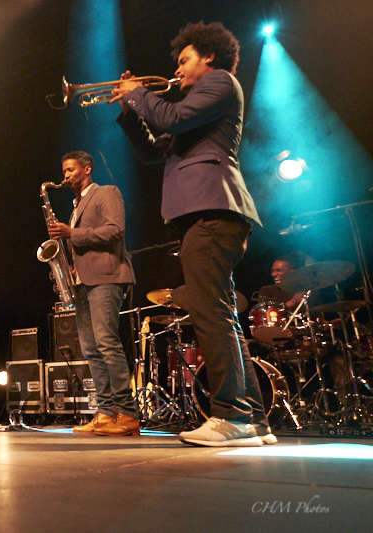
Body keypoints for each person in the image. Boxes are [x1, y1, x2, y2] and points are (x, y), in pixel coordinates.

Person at [110, 21, 275, 446]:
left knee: (209, 313)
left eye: (184, 61)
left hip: (212, 211)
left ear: (209, 57)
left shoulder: (220, 84)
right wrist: (130, 113)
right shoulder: (199, 111)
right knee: (220, 315)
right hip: (207, 214)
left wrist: (139, 93)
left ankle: (232, 417)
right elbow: (151, 152)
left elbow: (173, 116)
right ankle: (253, 419)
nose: (178, 71)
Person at [47, 151, 139, 436]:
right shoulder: (77, 206)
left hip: (107, 277)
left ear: (87, 169)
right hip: (84, 281)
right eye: (63, 171)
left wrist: (71, 234)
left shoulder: (106, 192)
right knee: (90, 348)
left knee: (107, 343)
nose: (66, 175)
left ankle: (127, 413)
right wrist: (72, 267)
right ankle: (105, 413)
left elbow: (115, 230)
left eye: (71, 169)